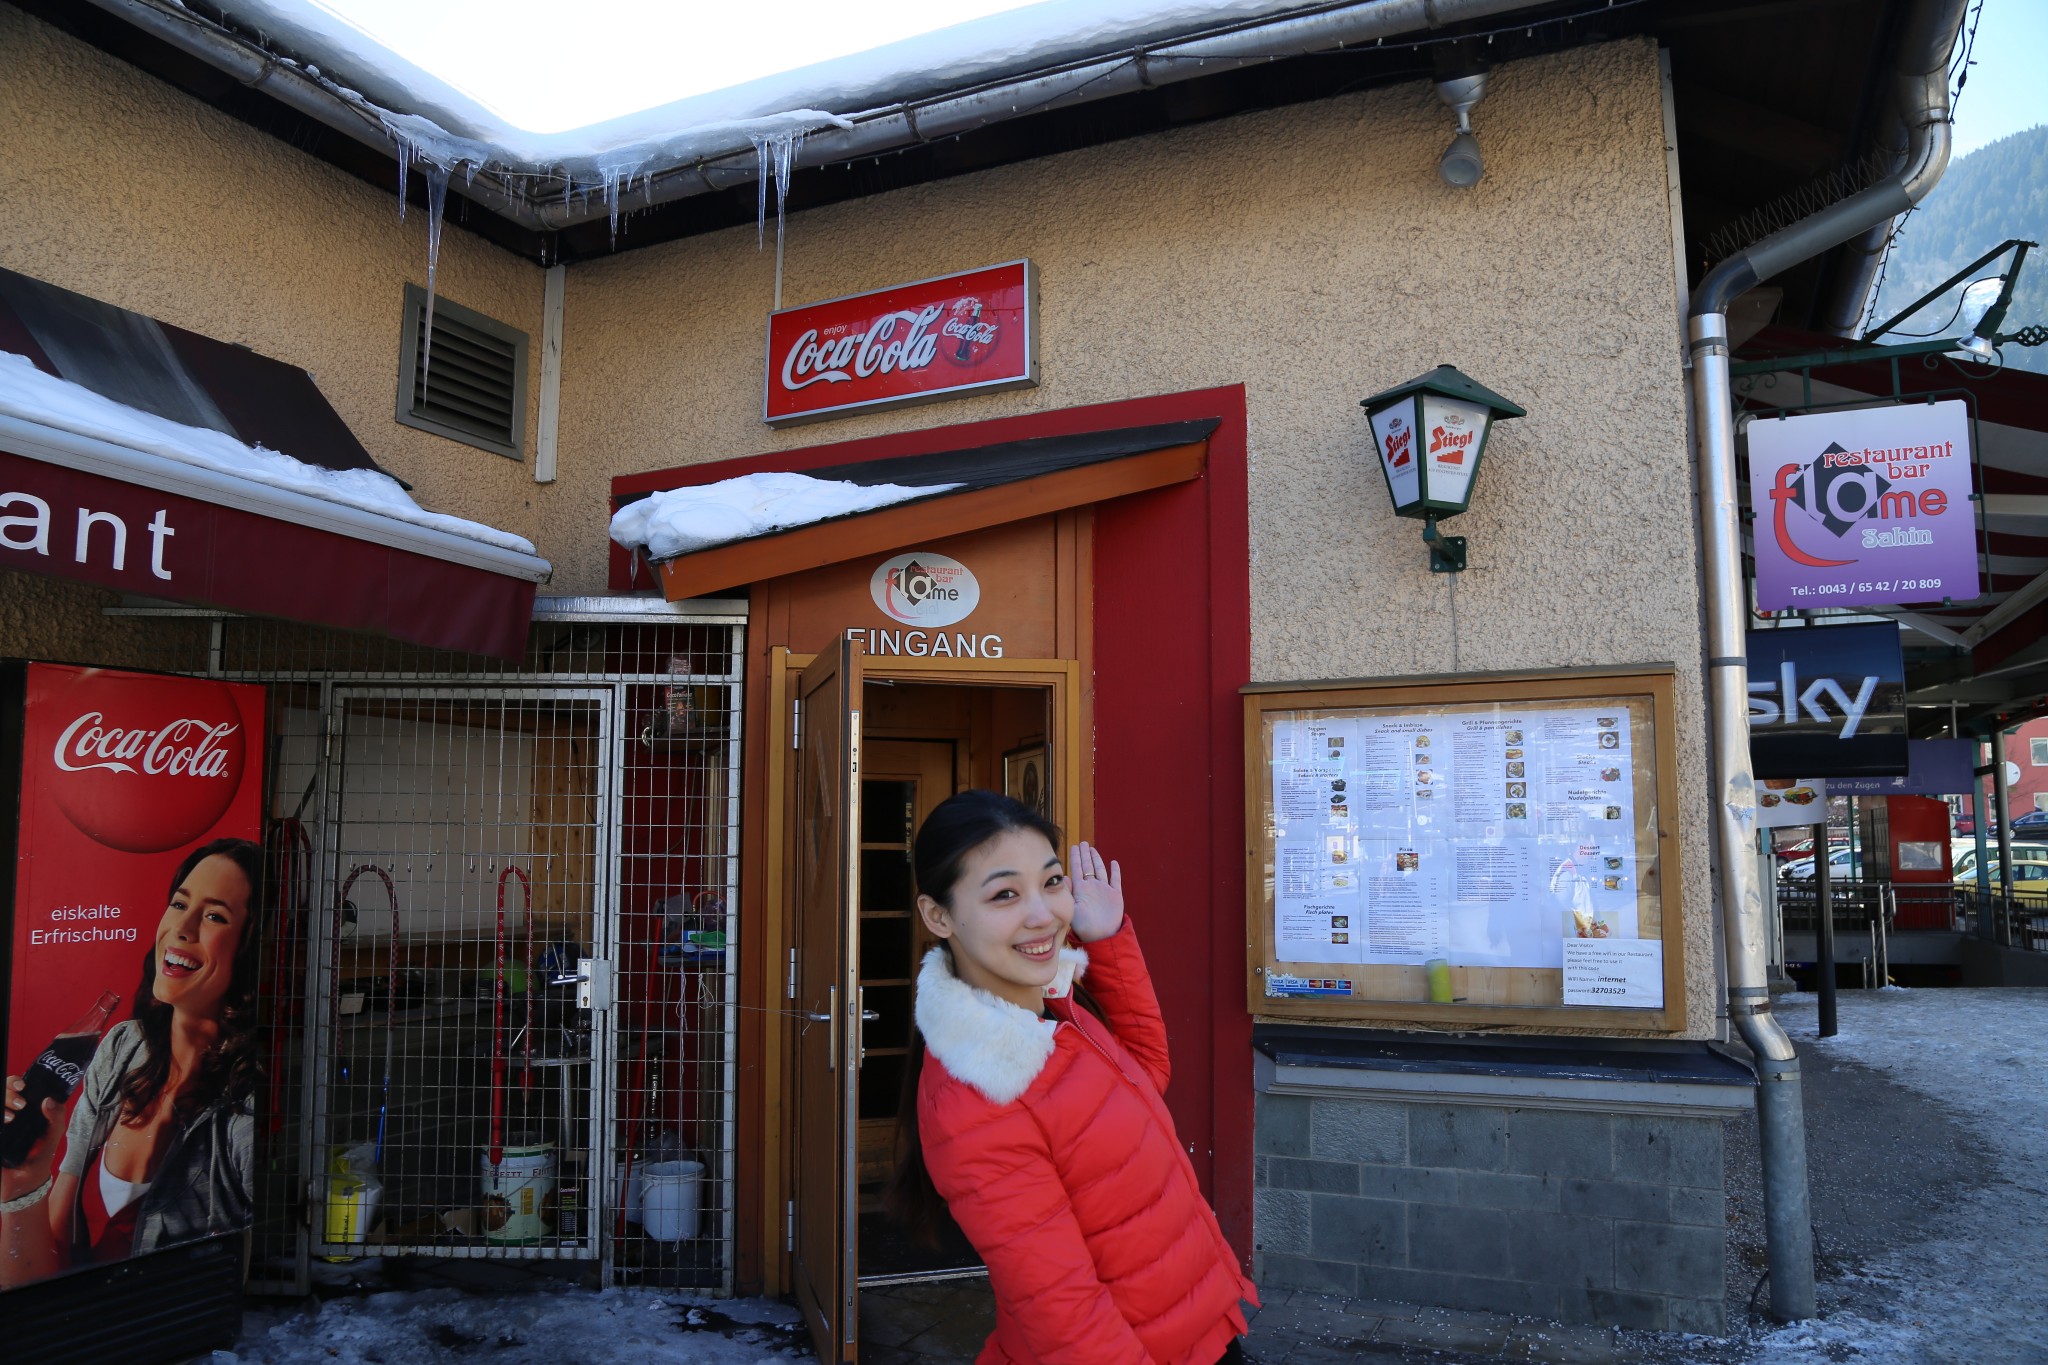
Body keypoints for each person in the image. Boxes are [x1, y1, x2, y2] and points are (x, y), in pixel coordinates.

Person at [887, 790, 1254, 1364]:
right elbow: (1064, 1316)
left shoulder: (1050, 1011)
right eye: (1005, 894)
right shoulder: (979, 1095)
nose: (1044, 915)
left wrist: (1106, 939)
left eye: (1052, 882)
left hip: (1197, 1324)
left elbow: (1145, 1073)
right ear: (938, 916)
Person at [1, 837, 264, 1284]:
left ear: (249, 949)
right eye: (179, 904)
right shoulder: (123, 1047)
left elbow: (238, 1289)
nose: (182, 929)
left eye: (215, 916)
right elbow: (47, 1272)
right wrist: (23, 1184)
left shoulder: (247, 1108)